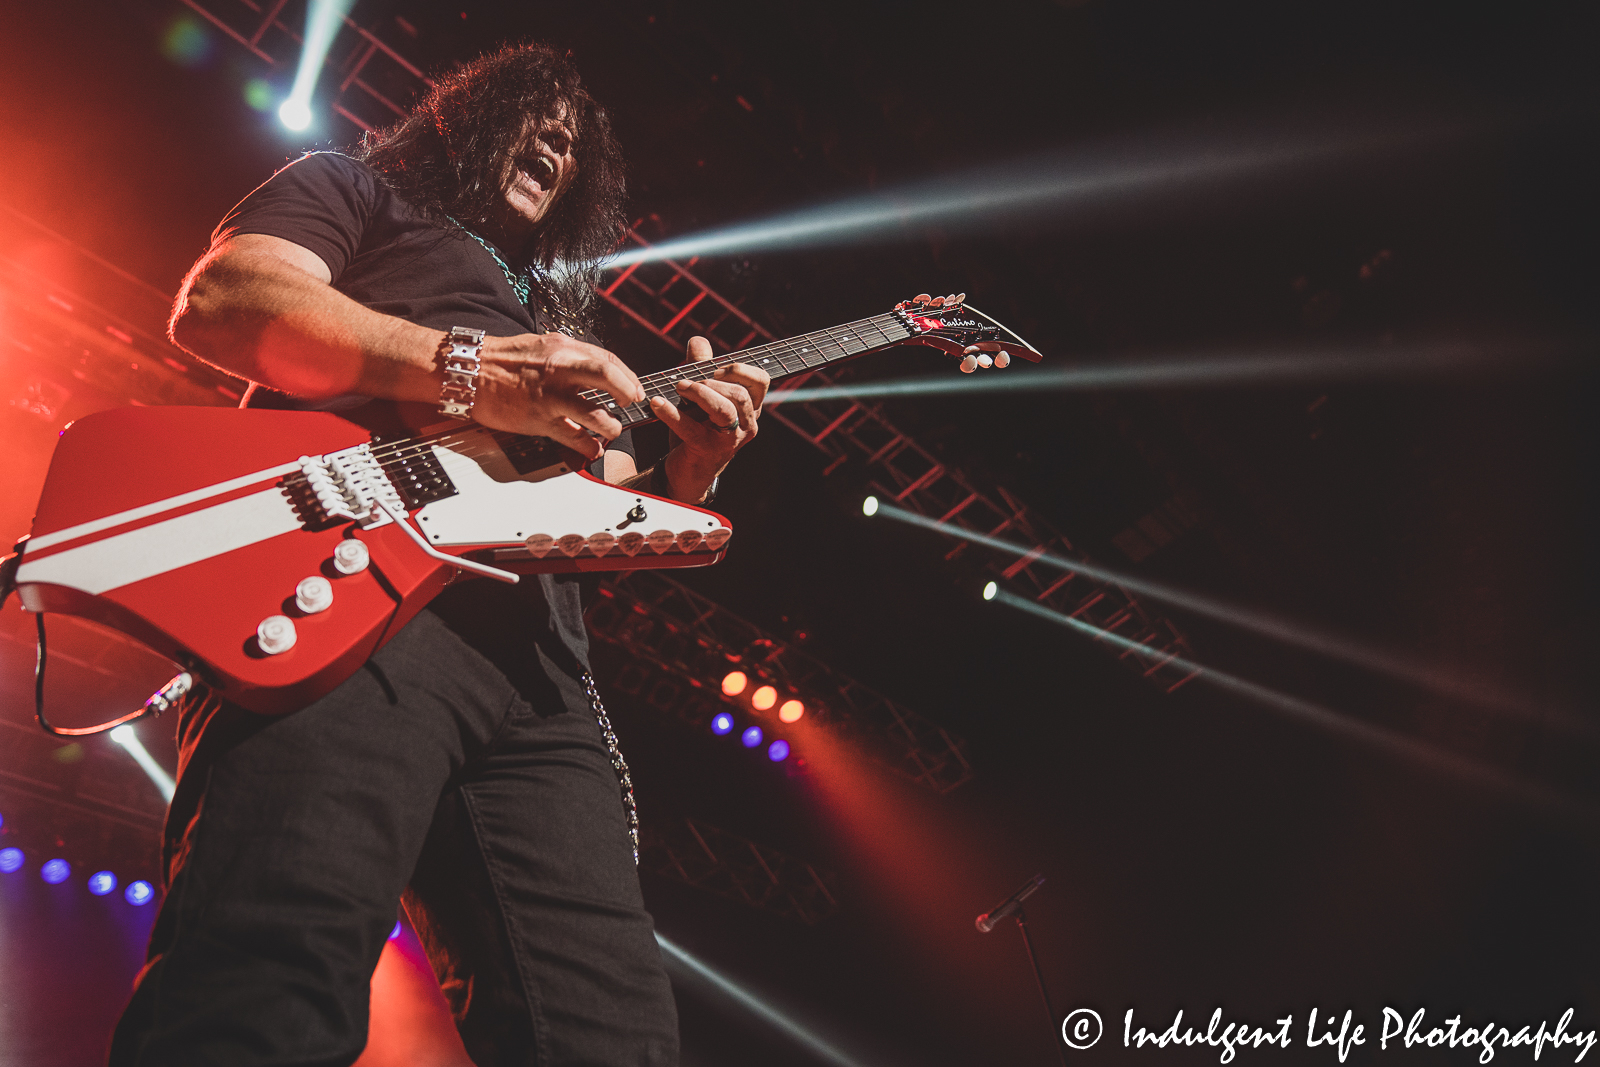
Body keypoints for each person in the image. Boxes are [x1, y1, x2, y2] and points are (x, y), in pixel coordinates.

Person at [108, 42, 767, 1067]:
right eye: (536, 112)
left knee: (610, 1035)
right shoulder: (355, 189)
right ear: (461, 118)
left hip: (536, 682)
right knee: (266, 978)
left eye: (577, 135)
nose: (559, 134)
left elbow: (582, 516)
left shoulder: (547, 325)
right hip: (345, 602)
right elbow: (228, 299)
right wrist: (469, 370)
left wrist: (689, 473)